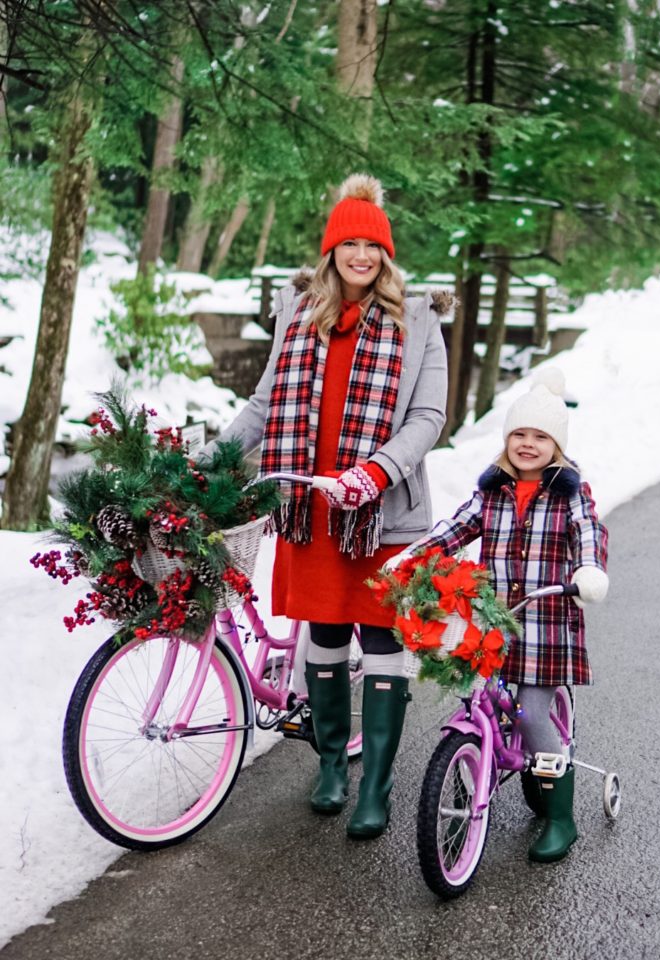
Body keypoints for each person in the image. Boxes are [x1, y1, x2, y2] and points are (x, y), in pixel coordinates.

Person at [204, 173, 449, 839]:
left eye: (374, 247)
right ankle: (332, 766)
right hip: (311, 507)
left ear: (386, 256)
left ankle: (377, 785)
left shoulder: (419, 319)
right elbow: (262, 406)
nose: (362, 257)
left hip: (381, 513)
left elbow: (430, 418)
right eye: (350, 245)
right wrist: (210, 459)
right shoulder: (300, 312)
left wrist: (374, 474)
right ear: (332, 251)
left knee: (381, 638)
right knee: (327, 636)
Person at [388, 367, 608, 862]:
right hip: (496, 620)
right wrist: (414, 556)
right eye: (519, 435)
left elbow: (589, 532)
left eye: (540, 437)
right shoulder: (492, 490)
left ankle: (559, 818)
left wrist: (589, 569)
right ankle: (469, 766)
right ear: (507, 440)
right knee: (472, 694)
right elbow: (456, 527)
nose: (527, 445)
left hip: (546, 621)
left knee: (532, 713)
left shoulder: (570, 492)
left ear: (557, 445)